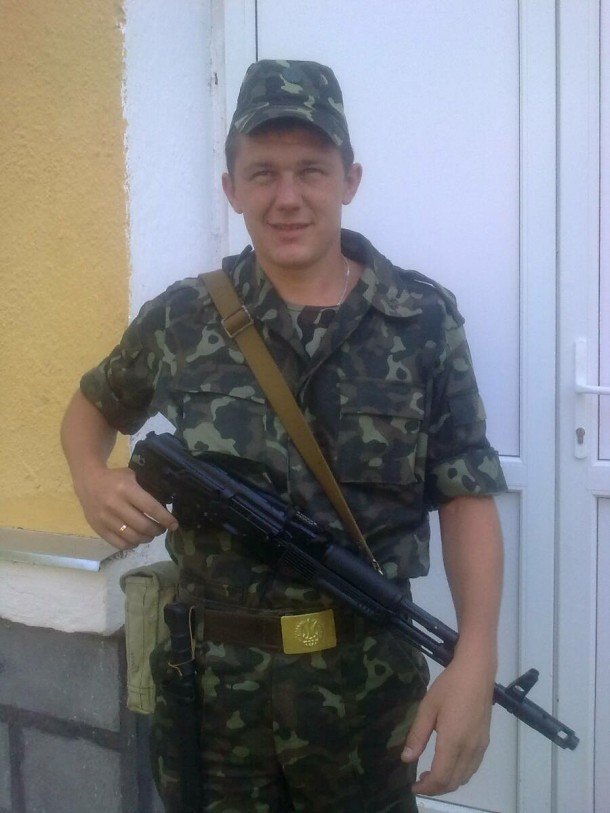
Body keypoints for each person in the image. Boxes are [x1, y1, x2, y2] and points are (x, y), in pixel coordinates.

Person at [61, 59, 506, 812]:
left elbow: (466, 493)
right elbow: (90, 408)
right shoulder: (181, 319)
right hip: (211, 696)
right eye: (262, 173)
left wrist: (476, 658)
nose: (288, 197)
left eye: (311, 170)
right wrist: (90, 476)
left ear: (350, 180)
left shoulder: (422, 321)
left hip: (365, 694)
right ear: (230, 188)